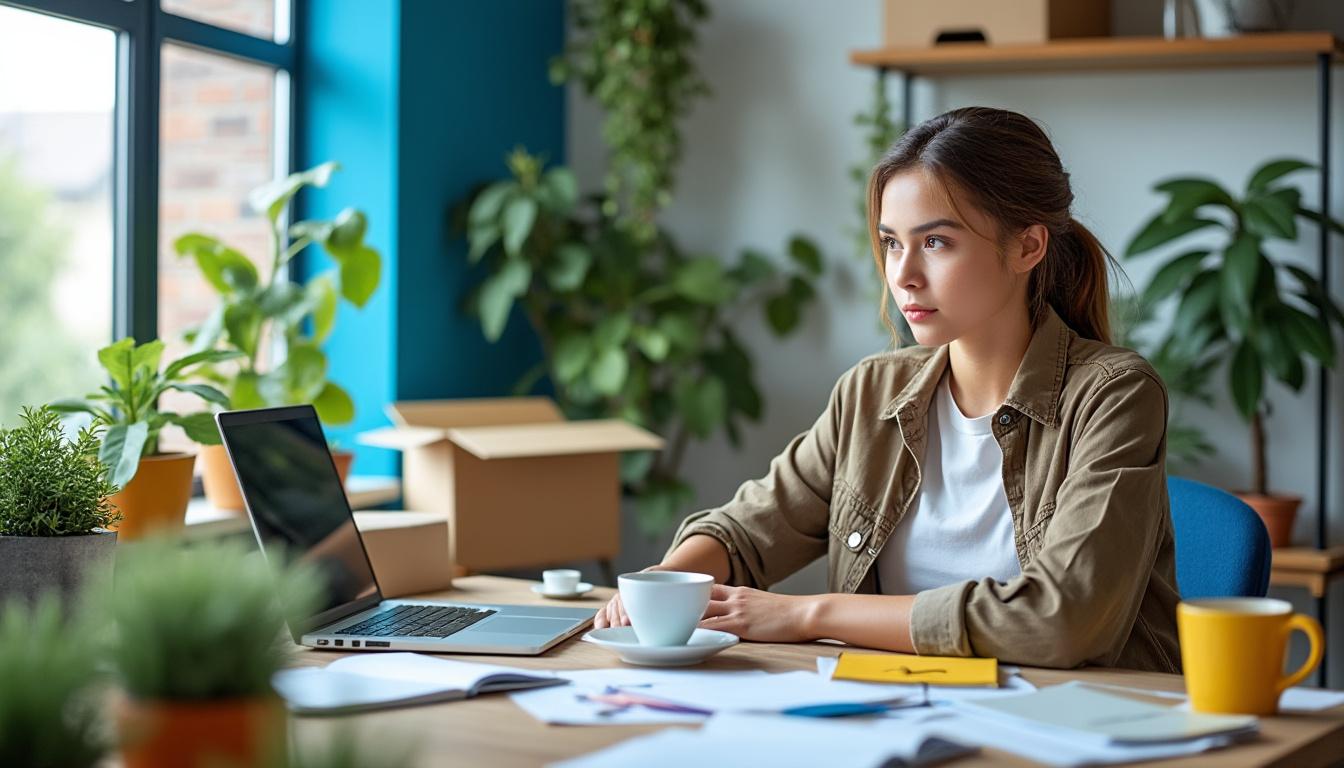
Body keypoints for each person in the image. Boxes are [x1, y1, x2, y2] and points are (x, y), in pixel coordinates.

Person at [594, 106, 1182, 672]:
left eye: (936, 242)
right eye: (893, 242)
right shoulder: (871, 393)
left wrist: (807, 614)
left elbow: (1062, 618)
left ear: (1027, 246)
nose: (902, 274)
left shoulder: (1113, 395)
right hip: (897, 713)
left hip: (1072, 721)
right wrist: (666, 585)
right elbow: (748, 532)